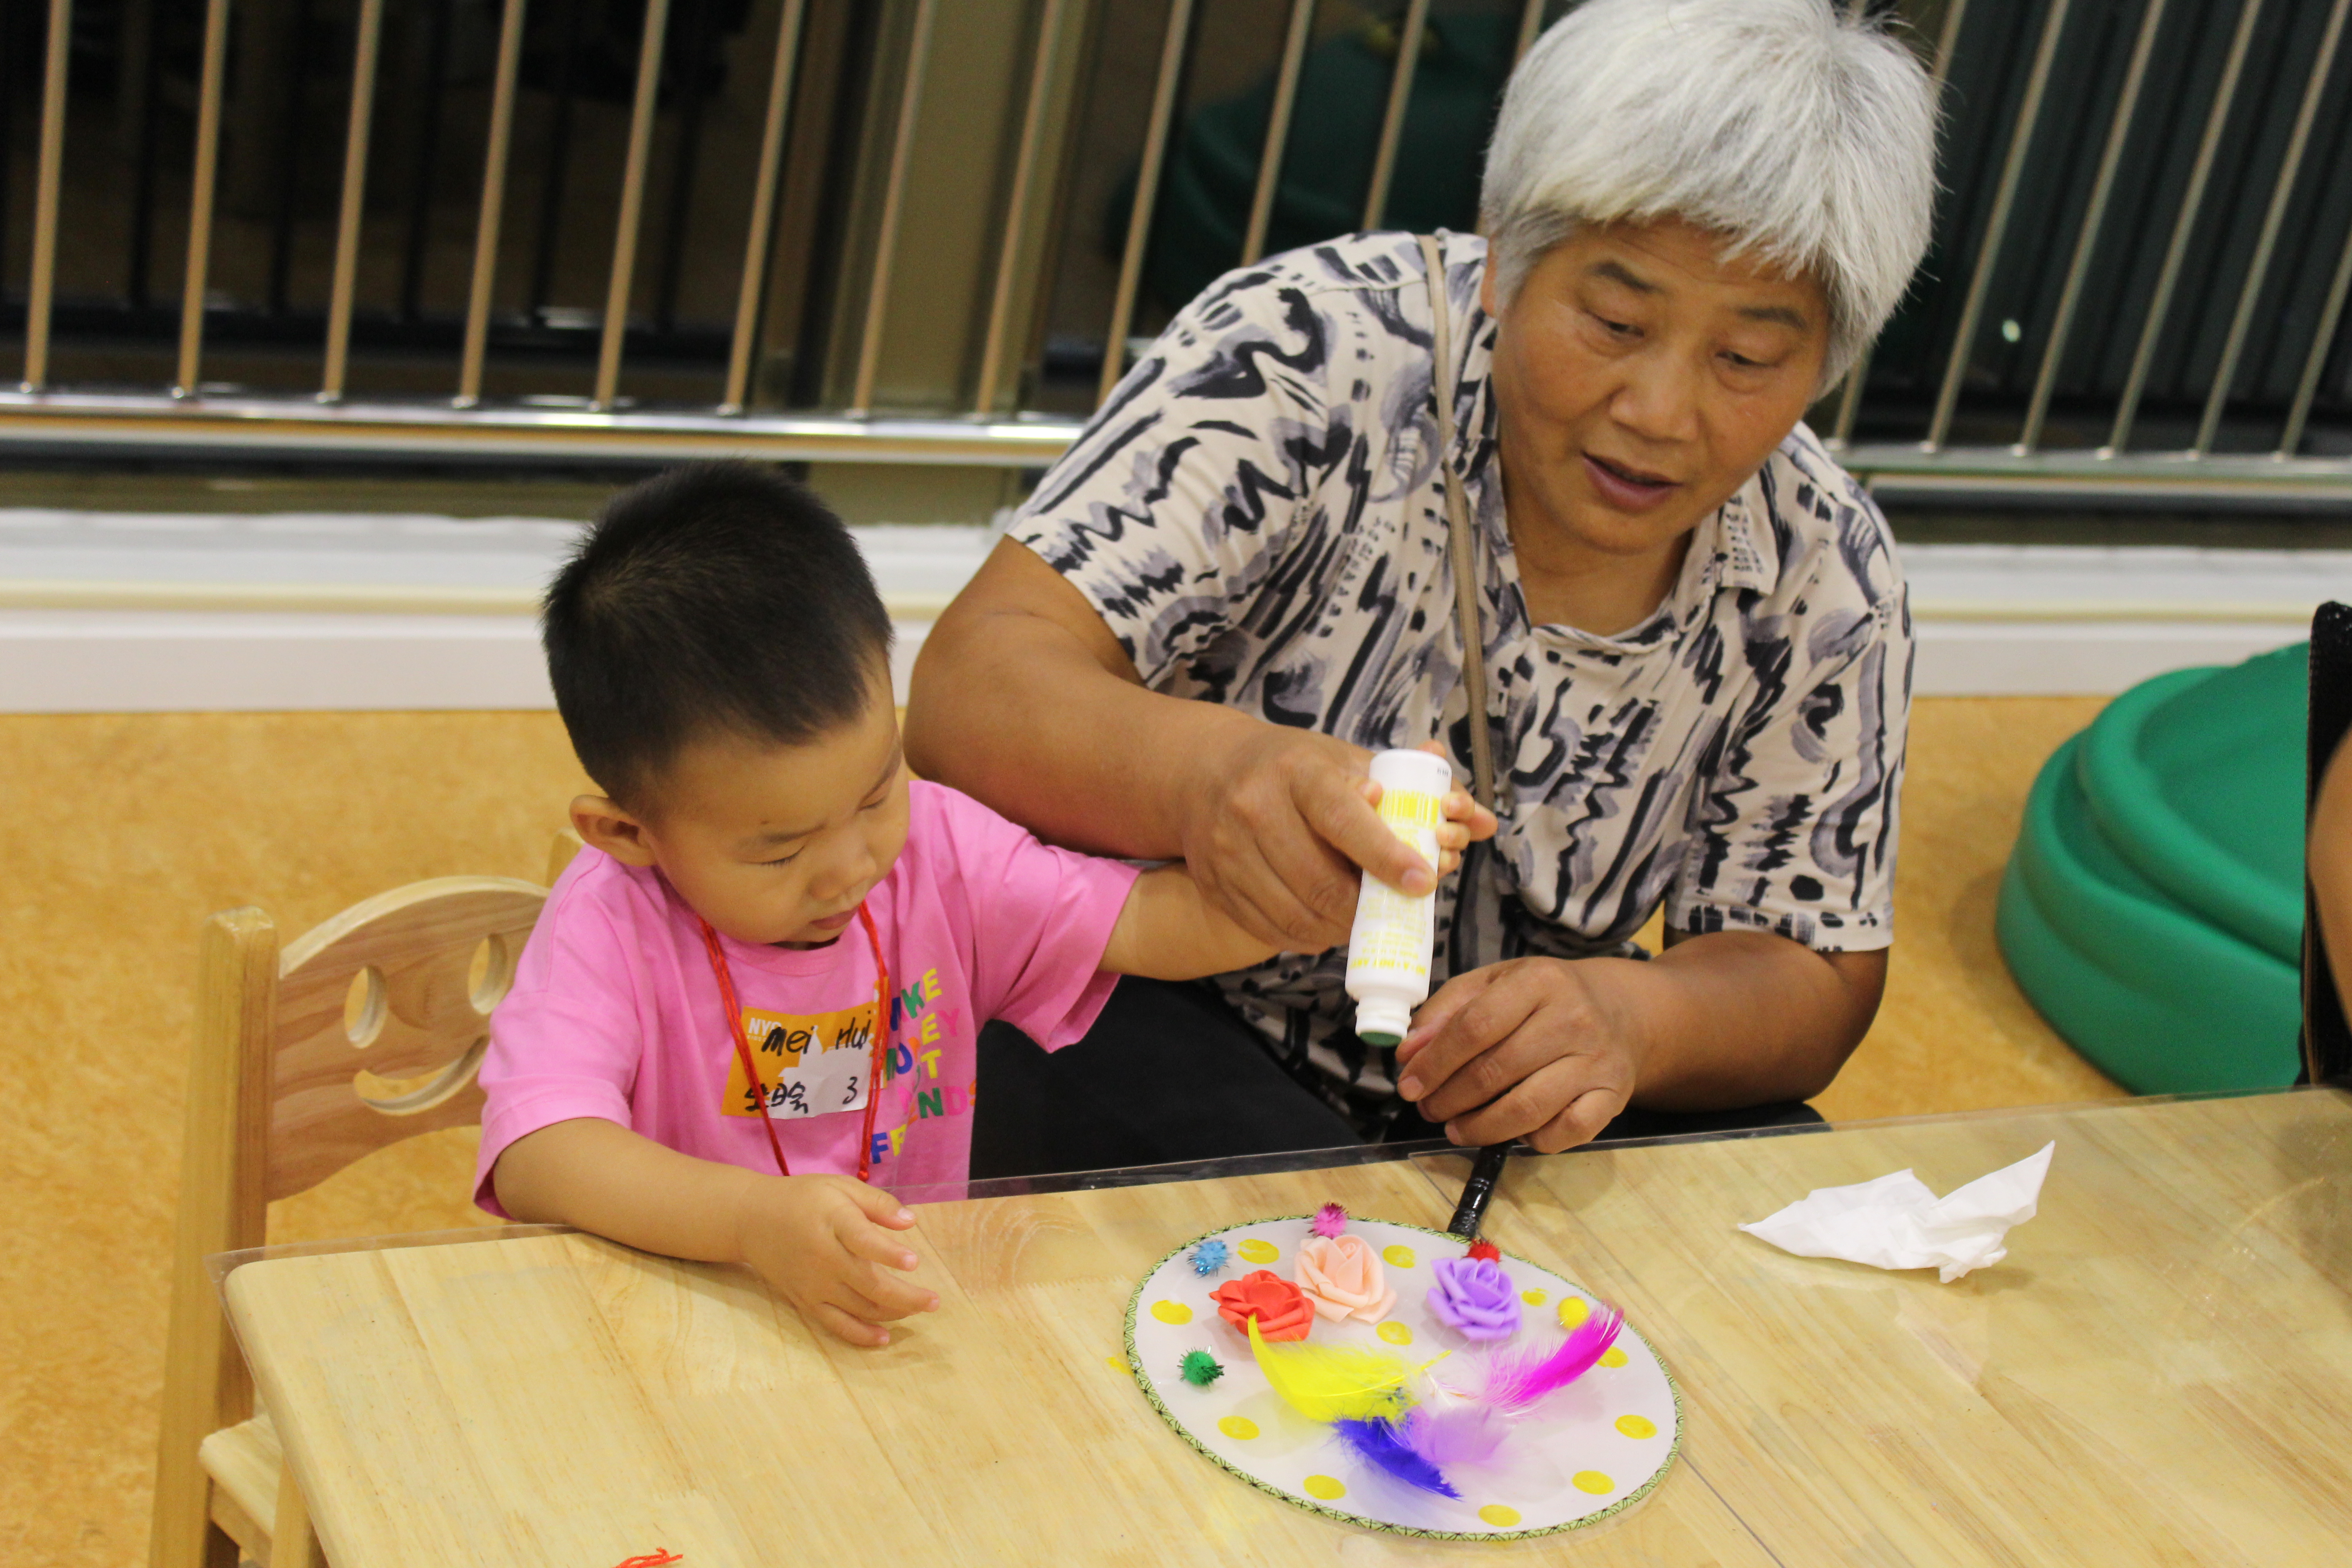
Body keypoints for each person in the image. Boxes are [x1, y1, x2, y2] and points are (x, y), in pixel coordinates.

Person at [908, 0, 1938, 1170]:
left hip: (1504, 1097)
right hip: (1166, 995)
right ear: (1505, 257)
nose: (1660, 413)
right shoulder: (1305, 357)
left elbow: (1811, 961)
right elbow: (969, 688)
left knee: (1769, 1196)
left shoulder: (1819, 565)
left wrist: (1632, 1022)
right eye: (1614, 320)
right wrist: (1216, 779)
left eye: (1747, 360)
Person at [473, 462, 1486, 1346]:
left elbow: (1139, 923)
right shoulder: (612, 920)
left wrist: (1313, 890)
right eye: (778, 849)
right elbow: (541, 1155)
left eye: (874, 792)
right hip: (665, 1321)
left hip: (896, 1320)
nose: (849, 868)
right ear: (629, 834)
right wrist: (749, 1223)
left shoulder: (939, 850)